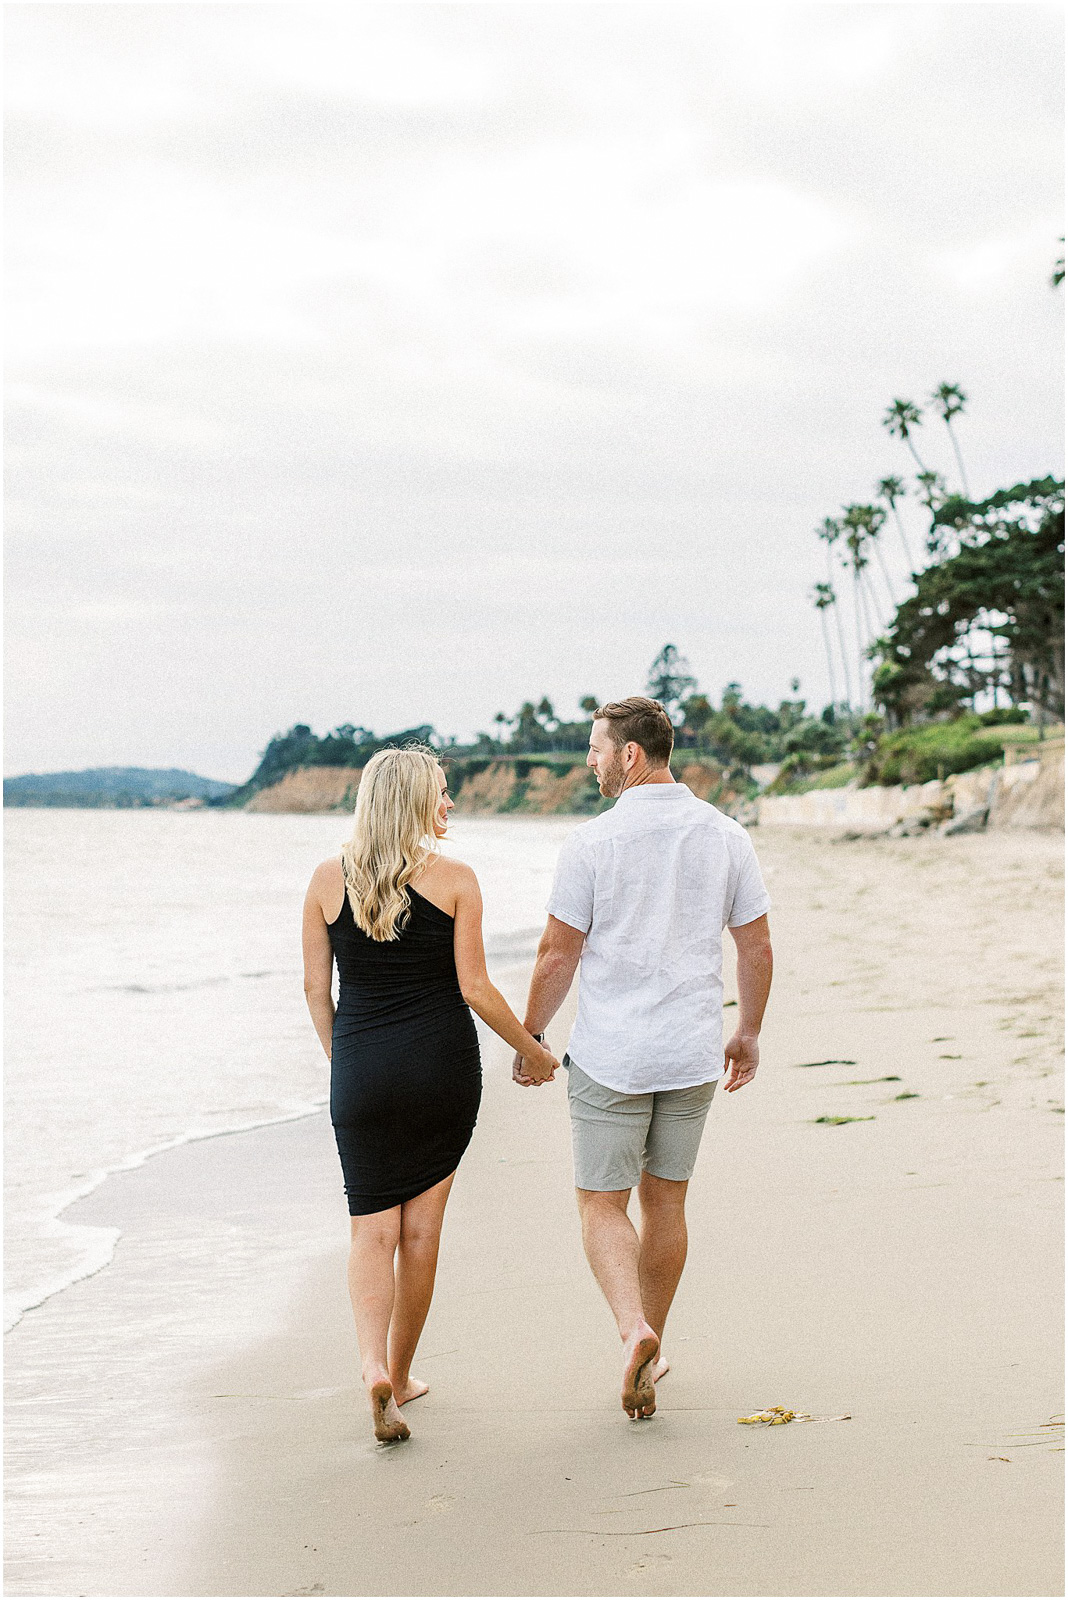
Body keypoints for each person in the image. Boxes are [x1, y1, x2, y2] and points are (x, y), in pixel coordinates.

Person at [513, 697, 773, 1420]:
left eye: (597, 749)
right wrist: (747, 1031)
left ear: (630, 754)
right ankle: (651, 1353)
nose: (590, 762)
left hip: (612, 1056)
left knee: (602, 1203)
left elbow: (557, 953)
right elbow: (755, 945)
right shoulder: (726, 835)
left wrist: (532, 1035)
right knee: (667, 1202)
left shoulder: (592, 845)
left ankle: (634, 1330)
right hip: (690, 1054)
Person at [303, 747, 558, 1444]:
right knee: (420, 1233)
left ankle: (370, 1367)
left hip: (361, 1074)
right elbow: (474, 989)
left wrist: (346, 1063)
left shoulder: (328, 879)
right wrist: (532, 1050)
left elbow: (315, 993)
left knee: (371, 1228)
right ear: (414, 800)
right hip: (441, 1072)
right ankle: (403, 1372)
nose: (450, 805)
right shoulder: (456, 880)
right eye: (442, 794)